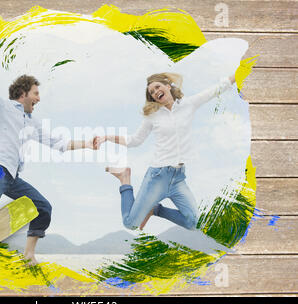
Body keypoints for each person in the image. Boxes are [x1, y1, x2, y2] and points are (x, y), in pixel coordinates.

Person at [0, 65, 96, 265]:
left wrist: (87, 144)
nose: (39, 98)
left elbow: (60, 144)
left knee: (42, 207)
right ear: (23, 94)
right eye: (36, 93)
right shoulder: (3, 107)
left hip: (12, 177)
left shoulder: (32, 123)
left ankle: (29, 254)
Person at [94, 72, 236, 231]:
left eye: (157, 87)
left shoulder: (188, 104)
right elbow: (135, 140)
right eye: (152, 92)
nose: (155, 92)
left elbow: (215, 90)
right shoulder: (153, 116)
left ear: (168, 86)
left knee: (193, 223)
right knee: (130, 223)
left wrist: (239, 73)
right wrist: (107, 137)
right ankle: (124, 178)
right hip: (157, 177)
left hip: (178, 178)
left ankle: (155, 209)